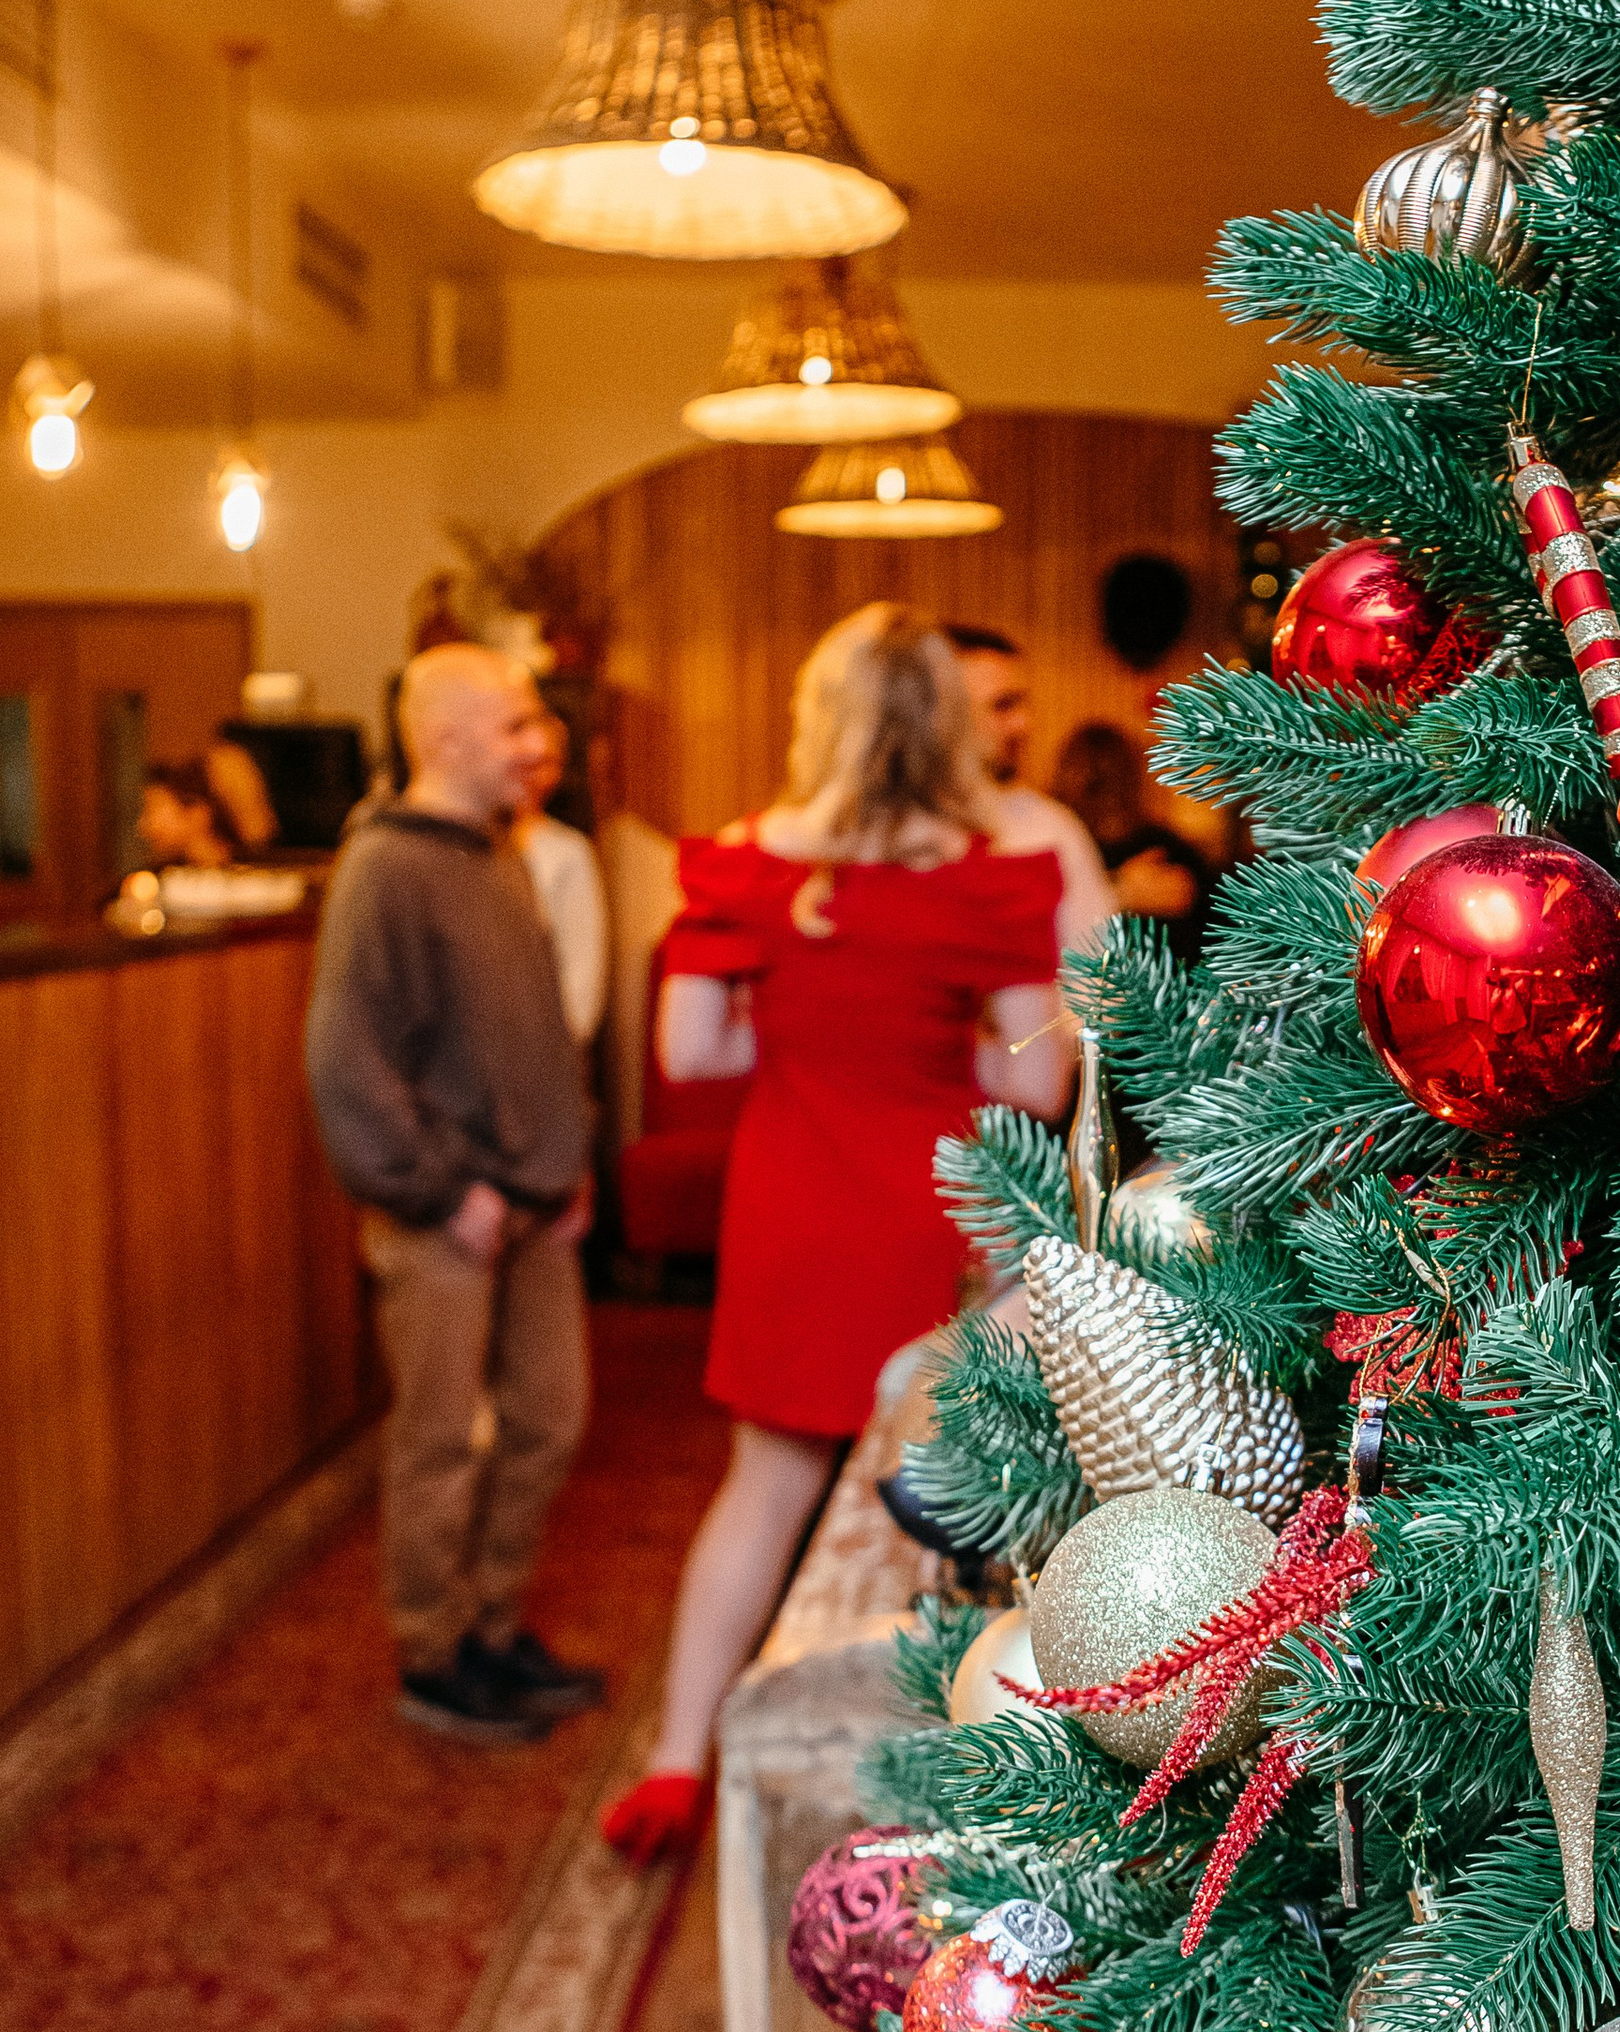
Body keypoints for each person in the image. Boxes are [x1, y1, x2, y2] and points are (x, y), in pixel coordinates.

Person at [600, 607, 1073, 1861]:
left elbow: (690, 1049)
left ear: (820, 716)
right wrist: (929, 1043)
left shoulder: (744, 866)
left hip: (797, 1206)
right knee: (945, 1510)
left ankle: (671, 1763)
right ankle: (946, 1789)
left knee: (761, 1491)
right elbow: (1036, 1084)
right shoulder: (992, 872)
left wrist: (816, 1038)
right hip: (935, 1213)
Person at [304, 643, 605, 1746]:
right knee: (442, 1441)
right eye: (516, 726)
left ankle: (492, 1624)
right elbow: (347, 1061)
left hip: (531, 1208)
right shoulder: (383, 867)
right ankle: (434, 1656)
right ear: (443, 740)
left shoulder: (500, 852)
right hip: (448, 1217)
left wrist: (566, 1168)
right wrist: (442, 1191)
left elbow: (533, 1034)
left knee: (548, 1421)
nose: (541, 745)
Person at [942, 623, 1116, 943]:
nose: (1024, 724)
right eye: (1002, 705)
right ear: (942, 714)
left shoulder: (1050, 830)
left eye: (1023, 704)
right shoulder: (893, 831)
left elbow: (1099, 977)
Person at [1048, 719, 1215, 951]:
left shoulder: (1173, 853)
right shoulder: (1059, 847)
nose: (1109, 796)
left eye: (1115, 779)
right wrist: (1122, 892)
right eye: (1097, 783)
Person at [512, 705, 609, 1046]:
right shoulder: (459, 846)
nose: (539, 776)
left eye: (550, 763)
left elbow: (582, 979)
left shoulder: (567, 851)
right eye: (527, 762)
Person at [135, 755, 249, 873]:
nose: (143, 827)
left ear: (196, 813)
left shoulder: (254, 879)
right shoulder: (154, 881)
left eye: (152, 809)